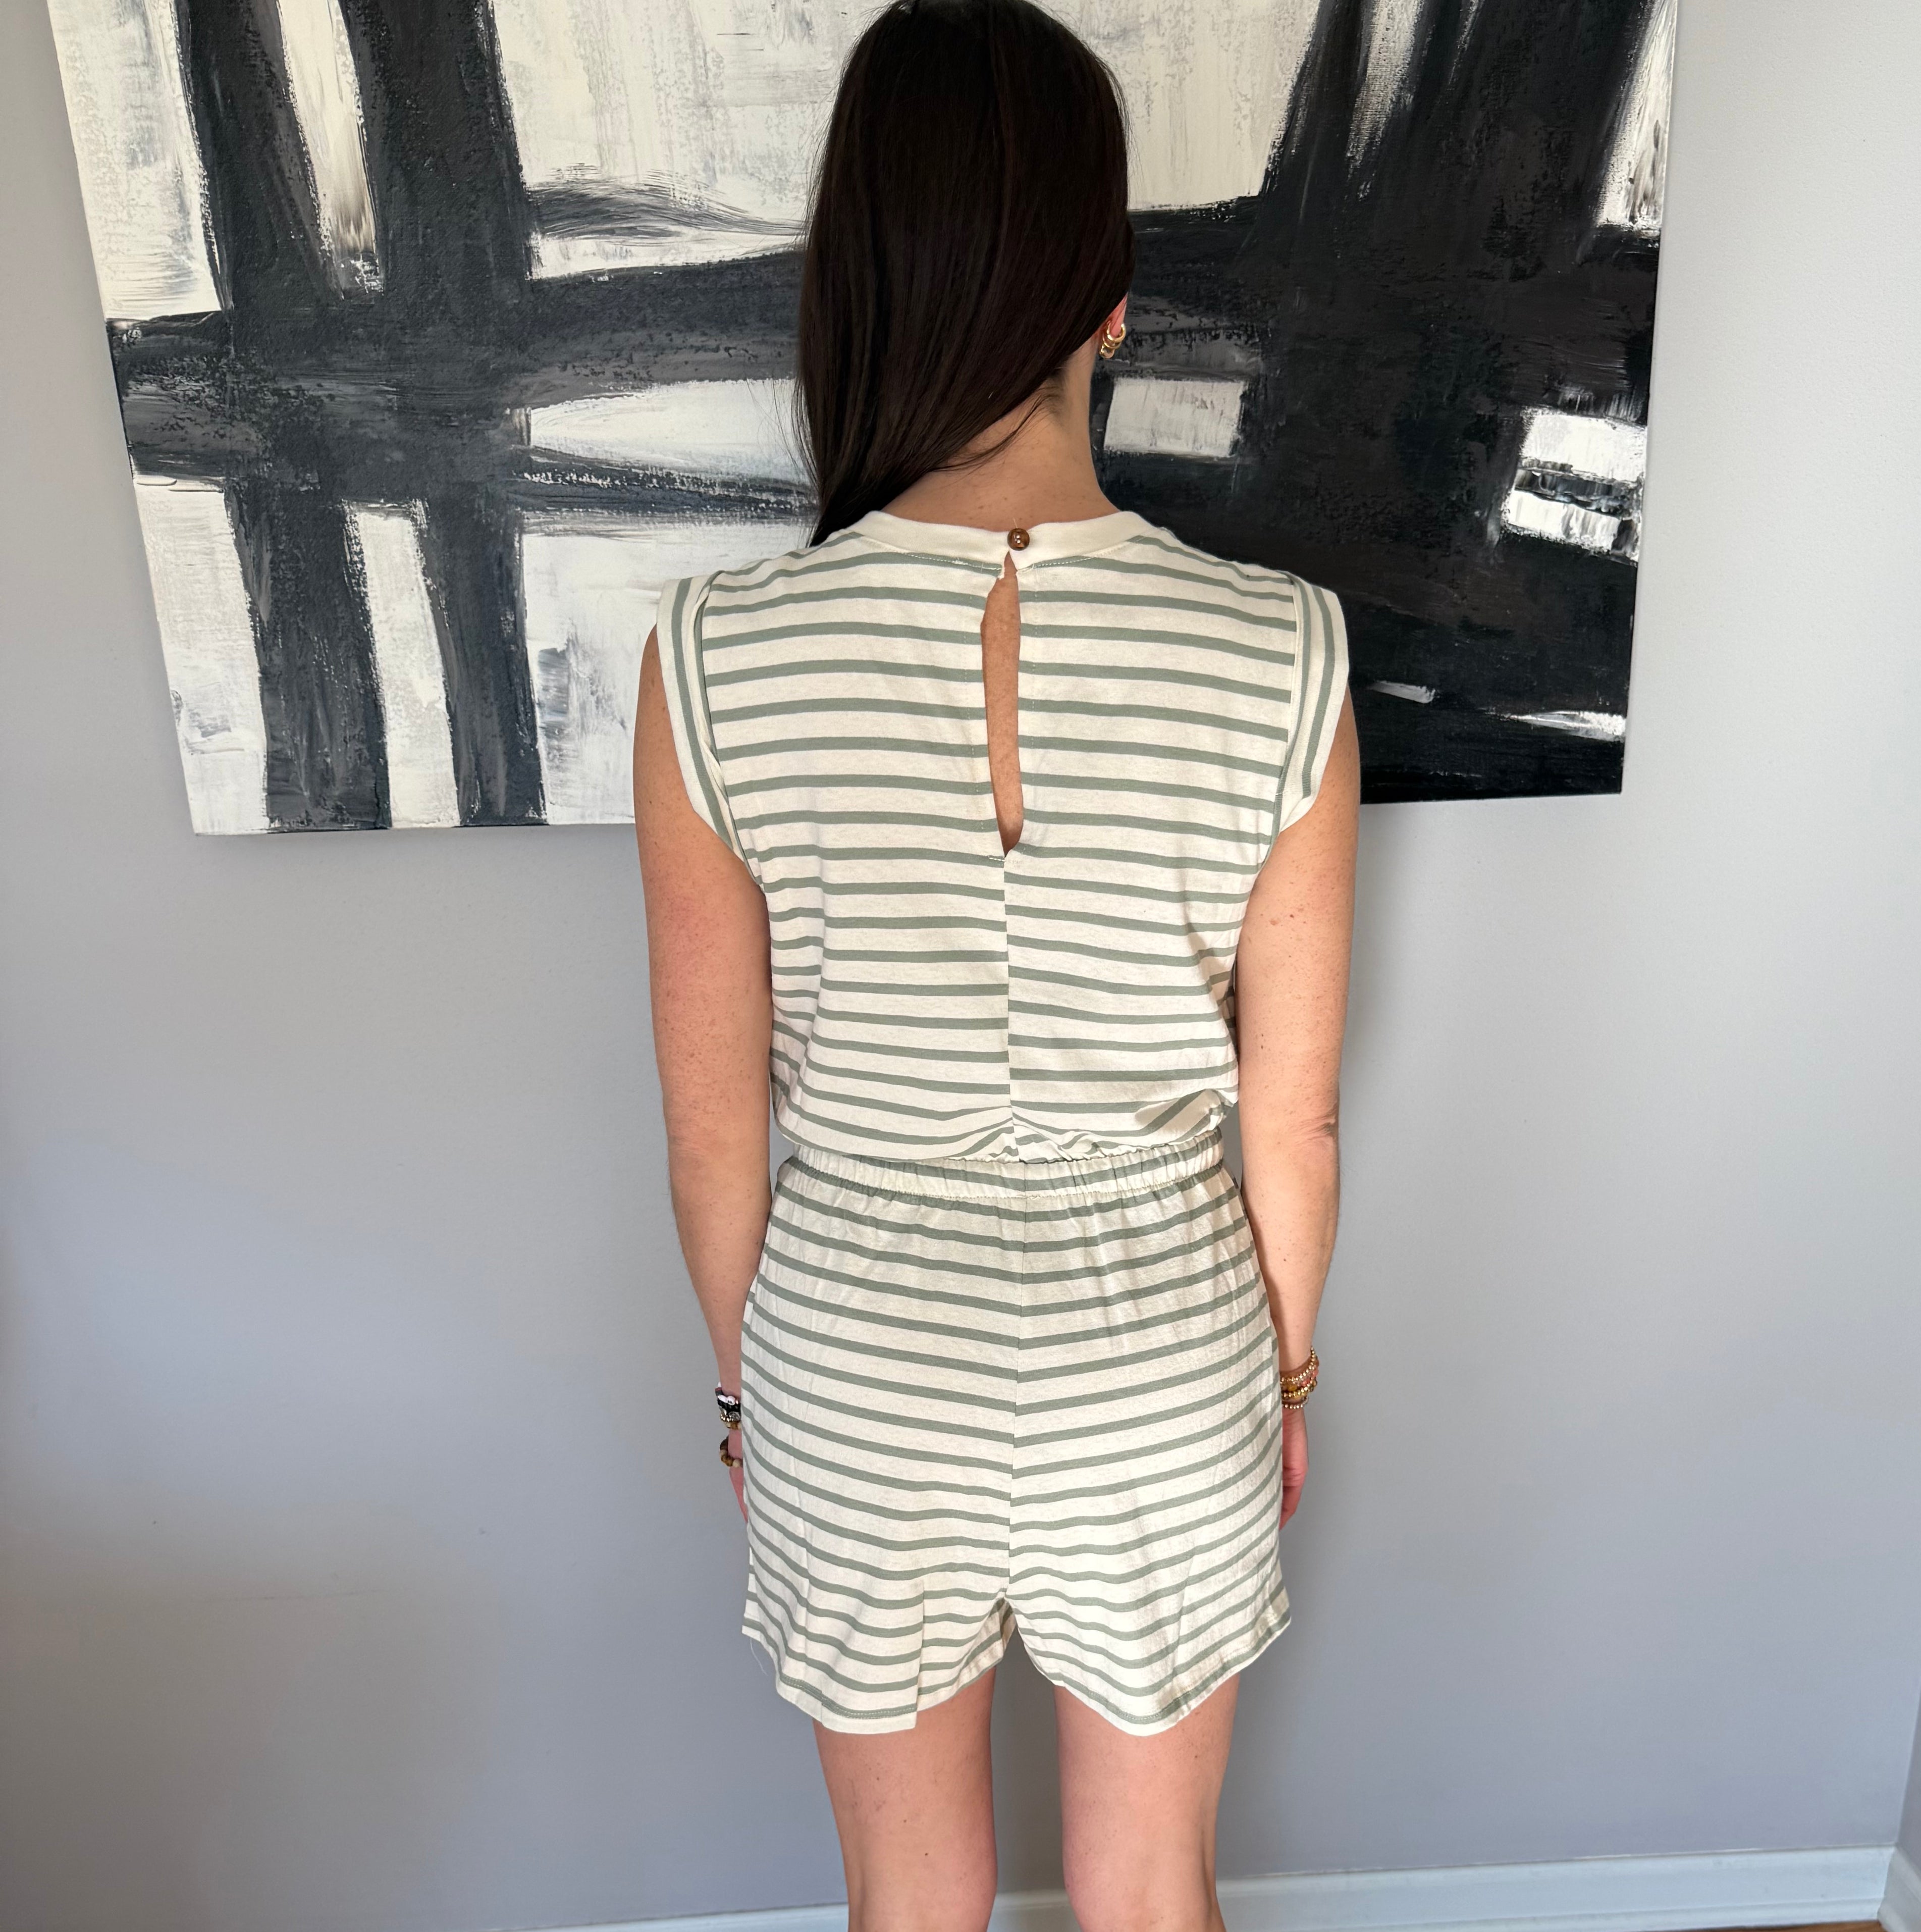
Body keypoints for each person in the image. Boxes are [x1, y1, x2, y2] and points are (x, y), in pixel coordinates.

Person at [631, 3, 1358, 1925]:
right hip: (1162, 1342)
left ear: (856, 286)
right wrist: (1281, 1371)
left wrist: (749, 1394)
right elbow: (1292, 1125)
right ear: (1108, 299)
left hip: (857, 1347)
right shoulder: (1282, 649)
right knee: (1150, 1890)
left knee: (908, 1900)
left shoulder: (712, 653)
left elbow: (712, 1138)